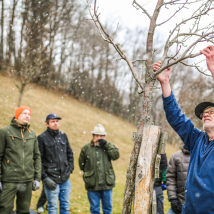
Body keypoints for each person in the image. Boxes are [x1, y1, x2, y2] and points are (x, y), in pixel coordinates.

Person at [153, 45, 214, 214]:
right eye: (204, 114)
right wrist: (165, 82)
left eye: (212, 111)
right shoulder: (197, 140)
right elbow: (176, 117)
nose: (206, 115)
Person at [0, 106, 41, 214]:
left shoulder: (32, 134)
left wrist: (37, 178)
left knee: (24, 211)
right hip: (9, 180)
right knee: (4, 209)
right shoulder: (5, 132)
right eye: (24, 113)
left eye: (29, 114)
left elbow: (37, 157)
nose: (27, 116)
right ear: (17, 115)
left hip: (27, 181)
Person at [79, 124, 120, 214]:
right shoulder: (86, 148)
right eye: (97, 136)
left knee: (107, 209)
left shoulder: (108, 147)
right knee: (94, 210)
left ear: (104, 137)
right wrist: (90, 174)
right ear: (93, 136)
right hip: (92, 185)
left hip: (107, 183)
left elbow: (116, 156)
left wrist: (107, 145)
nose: (99, 138)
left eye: (101, 136)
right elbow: (81, 164)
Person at [38, 113, 74, 214]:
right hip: (51, 179)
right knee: (53, 206)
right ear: (47, 124)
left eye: (57, 121)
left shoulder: (63, 135)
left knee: (65, 205)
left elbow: (69, 153)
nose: (55, 123)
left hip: (65, 179)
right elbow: (38, 160)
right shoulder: (41, 138)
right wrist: (45, 178)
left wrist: (70, 169)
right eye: (52, 121)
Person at [166, 145, 190, 214]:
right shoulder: (175, 156)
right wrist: (173, 198)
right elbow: (170, 178)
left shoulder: (203, 156)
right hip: (179, 202)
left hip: (197, 204)